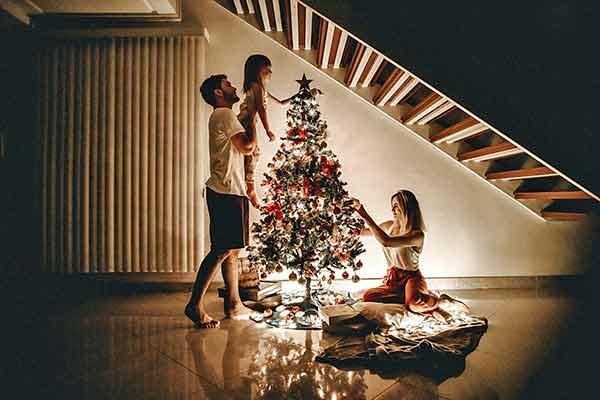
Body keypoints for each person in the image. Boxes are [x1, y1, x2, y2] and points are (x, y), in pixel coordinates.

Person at [184, 74, 257, 328]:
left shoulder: (225, 117)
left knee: (231, 250)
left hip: (229, 190)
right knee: (222, 249)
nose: (234, 86)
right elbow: (247, 146)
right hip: (225, 191)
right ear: (217, 92)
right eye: (227, 84)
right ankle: (194, 305)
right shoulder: (224, 115)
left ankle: (234, 304)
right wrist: (255, 114)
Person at [352, 190, 468, 322]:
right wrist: (348, 216)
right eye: (392, 206)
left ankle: (442, 302)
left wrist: (363, 212)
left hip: (411, 279)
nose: (392, 209)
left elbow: (386, 242)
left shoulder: (416, 235)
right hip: (393, 279)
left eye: (396, 206)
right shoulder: (389, 225)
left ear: (407, 207)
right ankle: (426, 302)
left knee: (413, 304)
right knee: (368, 296)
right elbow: (362, 232)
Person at [239, 54, 321, 208]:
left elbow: (282, 103)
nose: (270, 73)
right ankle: (249, 188)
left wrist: (303, 94)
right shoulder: (255, 86)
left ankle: (248, 186)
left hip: (251, 123)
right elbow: (261, 109)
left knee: (254, 154)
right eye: (267, 70)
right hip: (246, 122)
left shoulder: (263, 90)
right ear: (257, 71)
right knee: (252, 153)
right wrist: (268, 130)